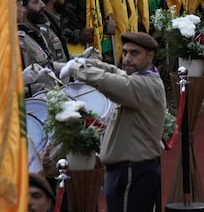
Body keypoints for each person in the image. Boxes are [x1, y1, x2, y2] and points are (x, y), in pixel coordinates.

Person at [61, 31, 166, 212]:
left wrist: (77, 69)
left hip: (133, 173)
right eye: (124, 52)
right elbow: (114, 71)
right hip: (127, 172)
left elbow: (109, 81)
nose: (127, 58)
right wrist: (83, 63)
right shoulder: (141, 77)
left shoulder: (144, 84)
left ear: (150, 56)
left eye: (134, 53)